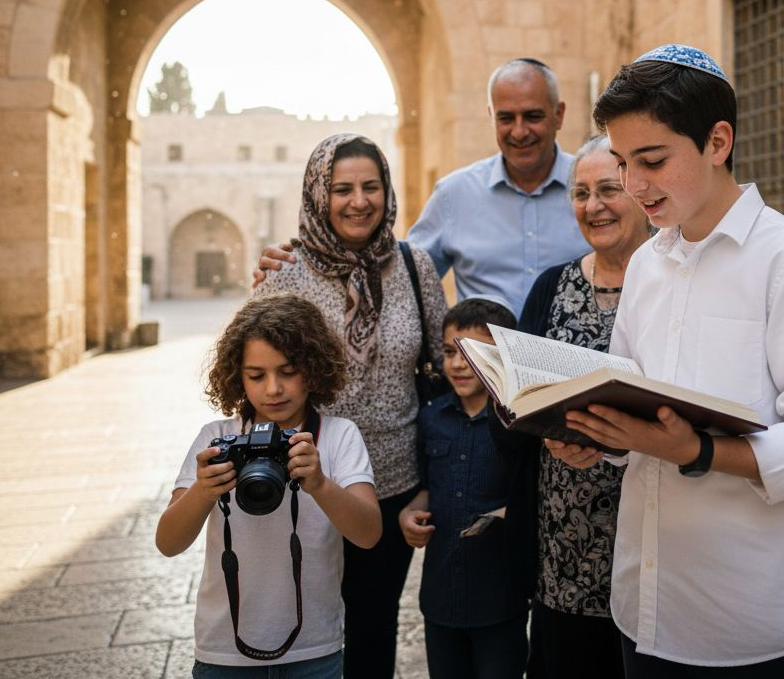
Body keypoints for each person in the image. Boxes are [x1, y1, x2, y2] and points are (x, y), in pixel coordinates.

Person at [548, 45, 784, 678]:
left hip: (747, 619)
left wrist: (699, 452)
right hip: (645, 606)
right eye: (625, 162)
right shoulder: (647, 265)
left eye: (653, 161)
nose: (635, 186)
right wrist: (598, 438)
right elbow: (630, 396)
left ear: (718, 141)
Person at [255, 134, 447, 679]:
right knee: (304, 632)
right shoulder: (285, 273)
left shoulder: (415, 267)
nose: (358, 201)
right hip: (306, 484)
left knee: (372, 629)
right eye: (342, 189)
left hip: (391, 484)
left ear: (387, 192)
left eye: (371, 187)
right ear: (319, 195)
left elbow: (443, 368)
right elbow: (252, 378)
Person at [156, 293, 383, 677]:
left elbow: (368, 534)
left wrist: (320, 484)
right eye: (256, 375)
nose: (273, 389)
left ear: (313, 368)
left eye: (288, 371)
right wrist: (203, 491)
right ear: (236, 375)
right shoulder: (217, 438)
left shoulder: (338, 436)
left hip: (314, 649)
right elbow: (168, 542)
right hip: (224, 651)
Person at [492, 135, 650, 679]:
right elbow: (516, 403)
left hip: (651, 532)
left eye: (609, 188)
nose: (593, 205)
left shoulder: (671, 286)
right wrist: (545, 428)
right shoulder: (550, 287)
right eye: (581, 193)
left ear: (640, 192)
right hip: (564, 544)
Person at [256, 59, 590, 315]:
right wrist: (301, 261)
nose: (519, 132)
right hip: (485, 394)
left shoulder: (595, 190)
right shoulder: (455, 195)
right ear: (491, 116)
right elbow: (395, 271)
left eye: (532, 116)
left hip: (577, 387)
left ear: (558, 115)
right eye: (506, 118)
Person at [398, 297, 527, 679]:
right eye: (449, 351)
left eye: (471, 353)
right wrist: (409, 513)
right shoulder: (432, 417)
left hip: (500, 600)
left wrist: (502, 516)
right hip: (439, 596)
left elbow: (531, 495)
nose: (456, 364)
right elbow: (426, 487)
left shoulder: (519, 423)